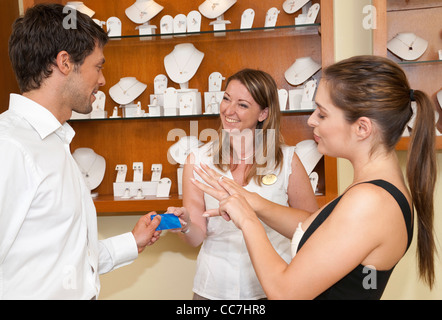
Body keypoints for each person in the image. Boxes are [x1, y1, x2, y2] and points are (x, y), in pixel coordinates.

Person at [192, 55, 437, 299]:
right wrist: (250, 200)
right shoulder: (373, 191)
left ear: (362, 128)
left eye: (322, 114)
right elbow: (309, 229)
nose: (311, 120)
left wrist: (247, 220)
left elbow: (284, 292)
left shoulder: (370, 201)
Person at [0, 4, 162, 300]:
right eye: (98, 66)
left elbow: (66, 260)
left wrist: (132, 242)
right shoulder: (9, 146)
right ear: (64, 62)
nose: (102, 80)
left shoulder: (55, 142)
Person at [168, 68, 318, 300]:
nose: (229, 110)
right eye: (227, 98)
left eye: (242, 105)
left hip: (271, 286)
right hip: (213, 288)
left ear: (263, 113)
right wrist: (185, 225)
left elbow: (311, 228)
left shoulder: (287, 160)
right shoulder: (198, 160)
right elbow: (196, 236)